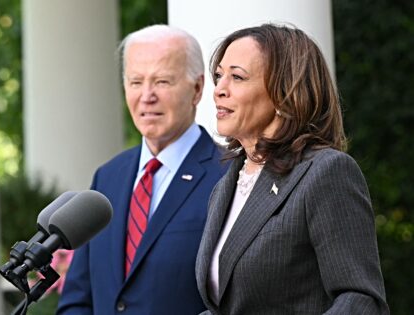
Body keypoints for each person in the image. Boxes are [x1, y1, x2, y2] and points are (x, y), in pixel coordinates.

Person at [195, 23, 390, 315]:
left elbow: (361, 299)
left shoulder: (326, 173)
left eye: (237, 77)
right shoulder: (225, 186)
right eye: (220, 75)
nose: (219, 90)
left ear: (284, 92)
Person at [57, 24, 228, 315]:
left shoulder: (228, 175)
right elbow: (77, 299)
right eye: (136, 82)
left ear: (197, 89)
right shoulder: (107, 177)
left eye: (162, 81)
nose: (147, 95)